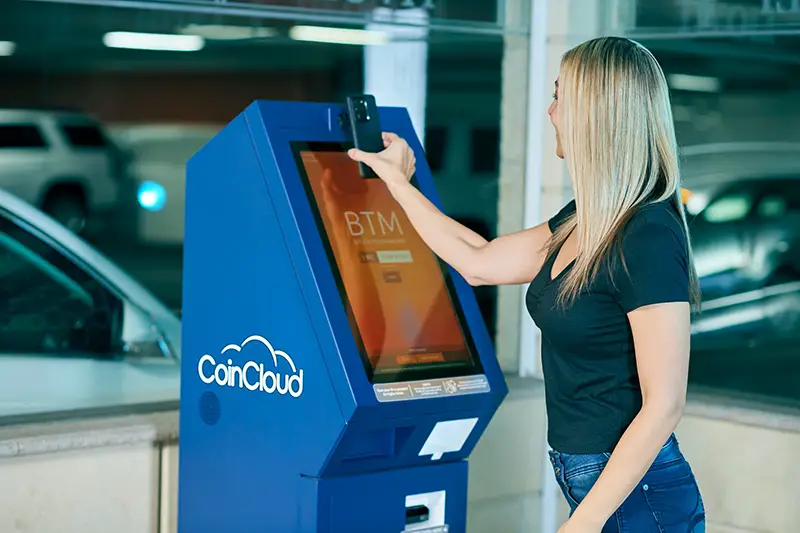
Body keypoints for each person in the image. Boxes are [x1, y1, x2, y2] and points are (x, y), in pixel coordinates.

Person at [347, 36, 706, 533]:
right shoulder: (590, 220)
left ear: (595, 114)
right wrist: (398, 183)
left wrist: (581, 526)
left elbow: (664, 403)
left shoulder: (646, 233)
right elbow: (478, 261)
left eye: (561, 96)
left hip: (641, 496)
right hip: (599, 482)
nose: (551, 111)